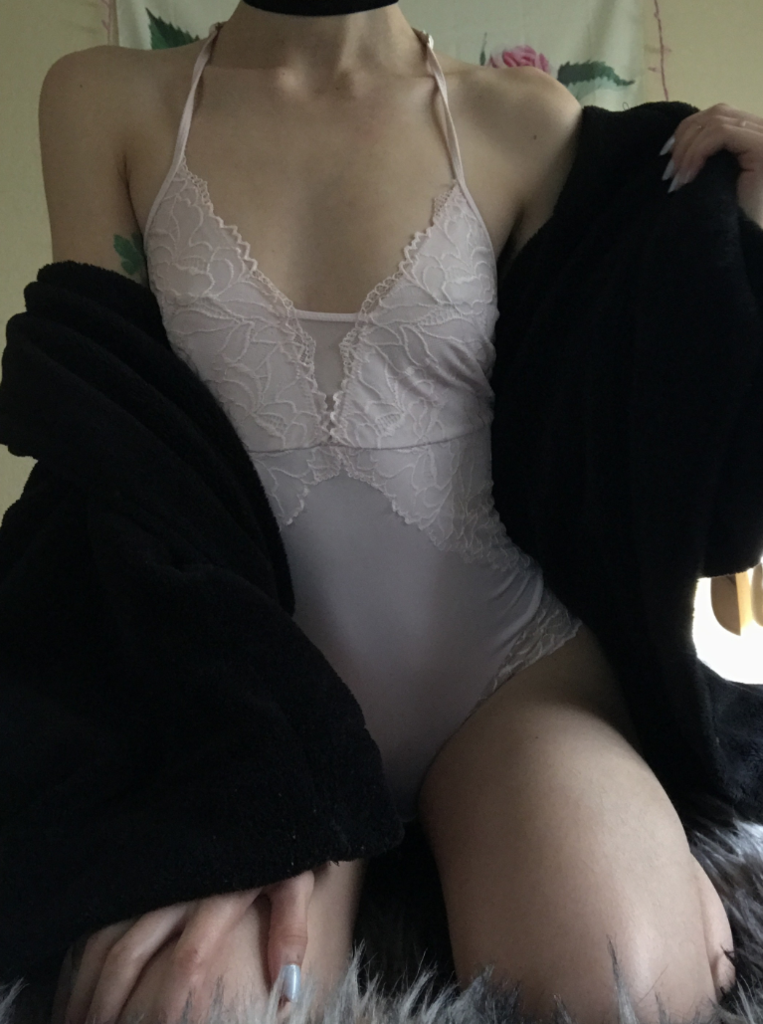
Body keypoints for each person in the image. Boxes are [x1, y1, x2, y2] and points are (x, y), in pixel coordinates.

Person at [33, 0, 740, 1021]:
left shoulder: (524, 118)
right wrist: (235, 783)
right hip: (248, 688)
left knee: (621, 984)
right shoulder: (104, 99)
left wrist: (748, 222)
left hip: (506, 676)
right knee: (189, 1008)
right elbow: (114, 456)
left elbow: (654, 420)